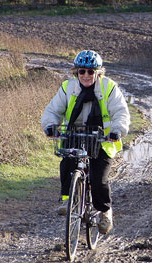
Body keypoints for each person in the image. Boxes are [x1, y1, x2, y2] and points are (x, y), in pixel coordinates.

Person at [41, 50, 130, 235]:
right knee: (66, 165)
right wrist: (50, 125)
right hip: (74, 136)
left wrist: (116, 131)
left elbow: (120, 112)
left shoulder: (108, 87)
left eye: (91, 72)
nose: (86, 76)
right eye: (82, 71)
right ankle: (71, 200)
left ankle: (105, 212)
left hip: (102, 140)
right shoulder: (68, 87)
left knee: (99, 180)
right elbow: (53, 110)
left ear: (99, 73)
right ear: (76, 72)